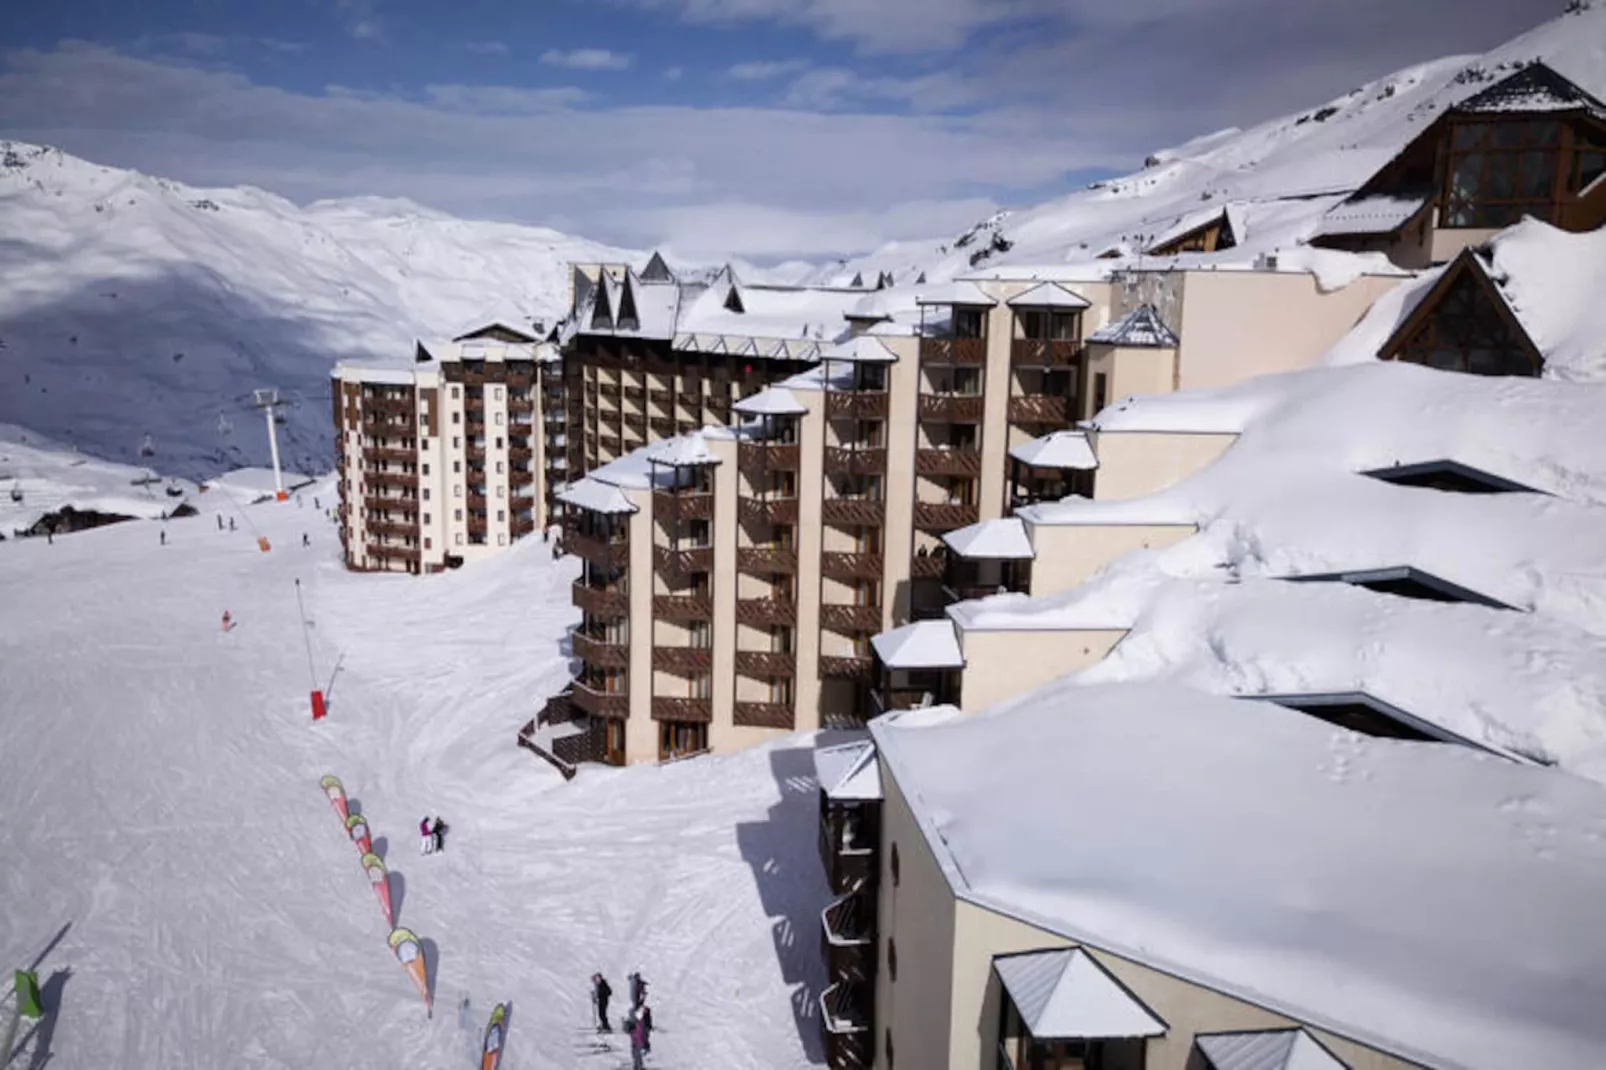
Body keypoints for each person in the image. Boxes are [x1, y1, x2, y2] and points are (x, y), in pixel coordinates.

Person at [628, 1005, 649, 1069]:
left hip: (638, 1040)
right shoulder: (636, 1022)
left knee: (637, 1054)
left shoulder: (640, 1022)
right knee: (636, 1054)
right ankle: (638, 1065)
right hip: (637, 1040)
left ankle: (638, 1065)